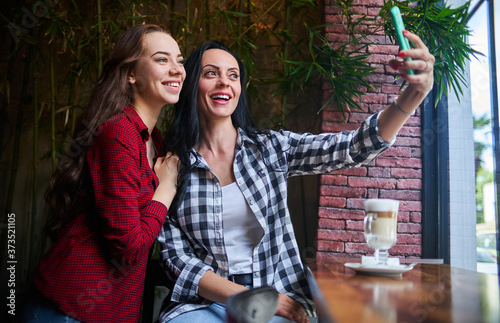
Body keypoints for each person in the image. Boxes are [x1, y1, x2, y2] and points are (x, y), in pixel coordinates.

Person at [157, 30, 435, 323]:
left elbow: (352, 148)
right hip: (207, 303)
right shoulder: (173, 166)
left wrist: (412, 96)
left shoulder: (271, 148)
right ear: (190, 86)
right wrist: (243, 295)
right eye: (210, 73)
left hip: (278, 294)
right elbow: (176, 259)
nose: (224, 81)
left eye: (233, 75)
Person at [22, 24, 185, 323]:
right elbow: (127, 249)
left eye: (180, 60)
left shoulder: (155, 140)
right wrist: (166, 189)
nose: (177, 69)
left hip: (111, 310)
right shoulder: (118, 133)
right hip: (67, 310)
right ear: (131, 74)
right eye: (162, 59)